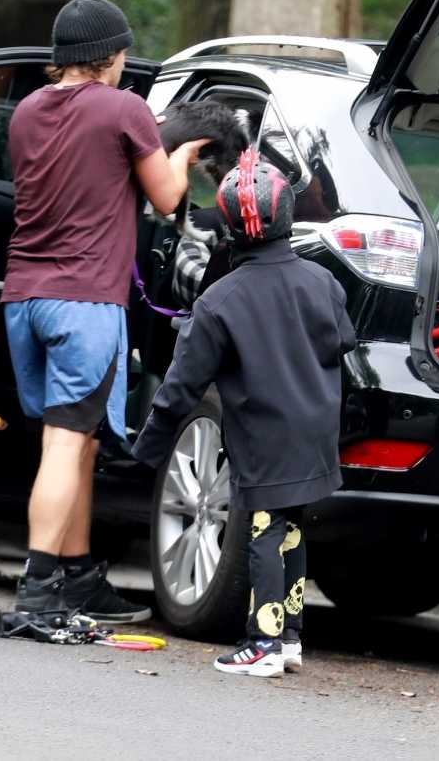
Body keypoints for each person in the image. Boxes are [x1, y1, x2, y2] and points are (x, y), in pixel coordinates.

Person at [4, 0, 209, 621]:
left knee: (77, 439)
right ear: (112, 55)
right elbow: (168, 196)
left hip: (24, 298)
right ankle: (39, 587)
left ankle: (77, 575)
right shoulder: (126, 108)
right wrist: (187, 151)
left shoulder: (27, 111)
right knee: (66, 444)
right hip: (85, 304)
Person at [133, 153, 357, 678]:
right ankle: (293, 635)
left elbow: (181, 386)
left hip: (263, 432)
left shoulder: (219, 301)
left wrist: (148, 447)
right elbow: (343, 339)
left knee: (261, 527)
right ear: (287, 216)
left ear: (230, 226)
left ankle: (264, 641)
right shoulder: (322, 281)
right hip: (317, 426)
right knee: (294, 525)